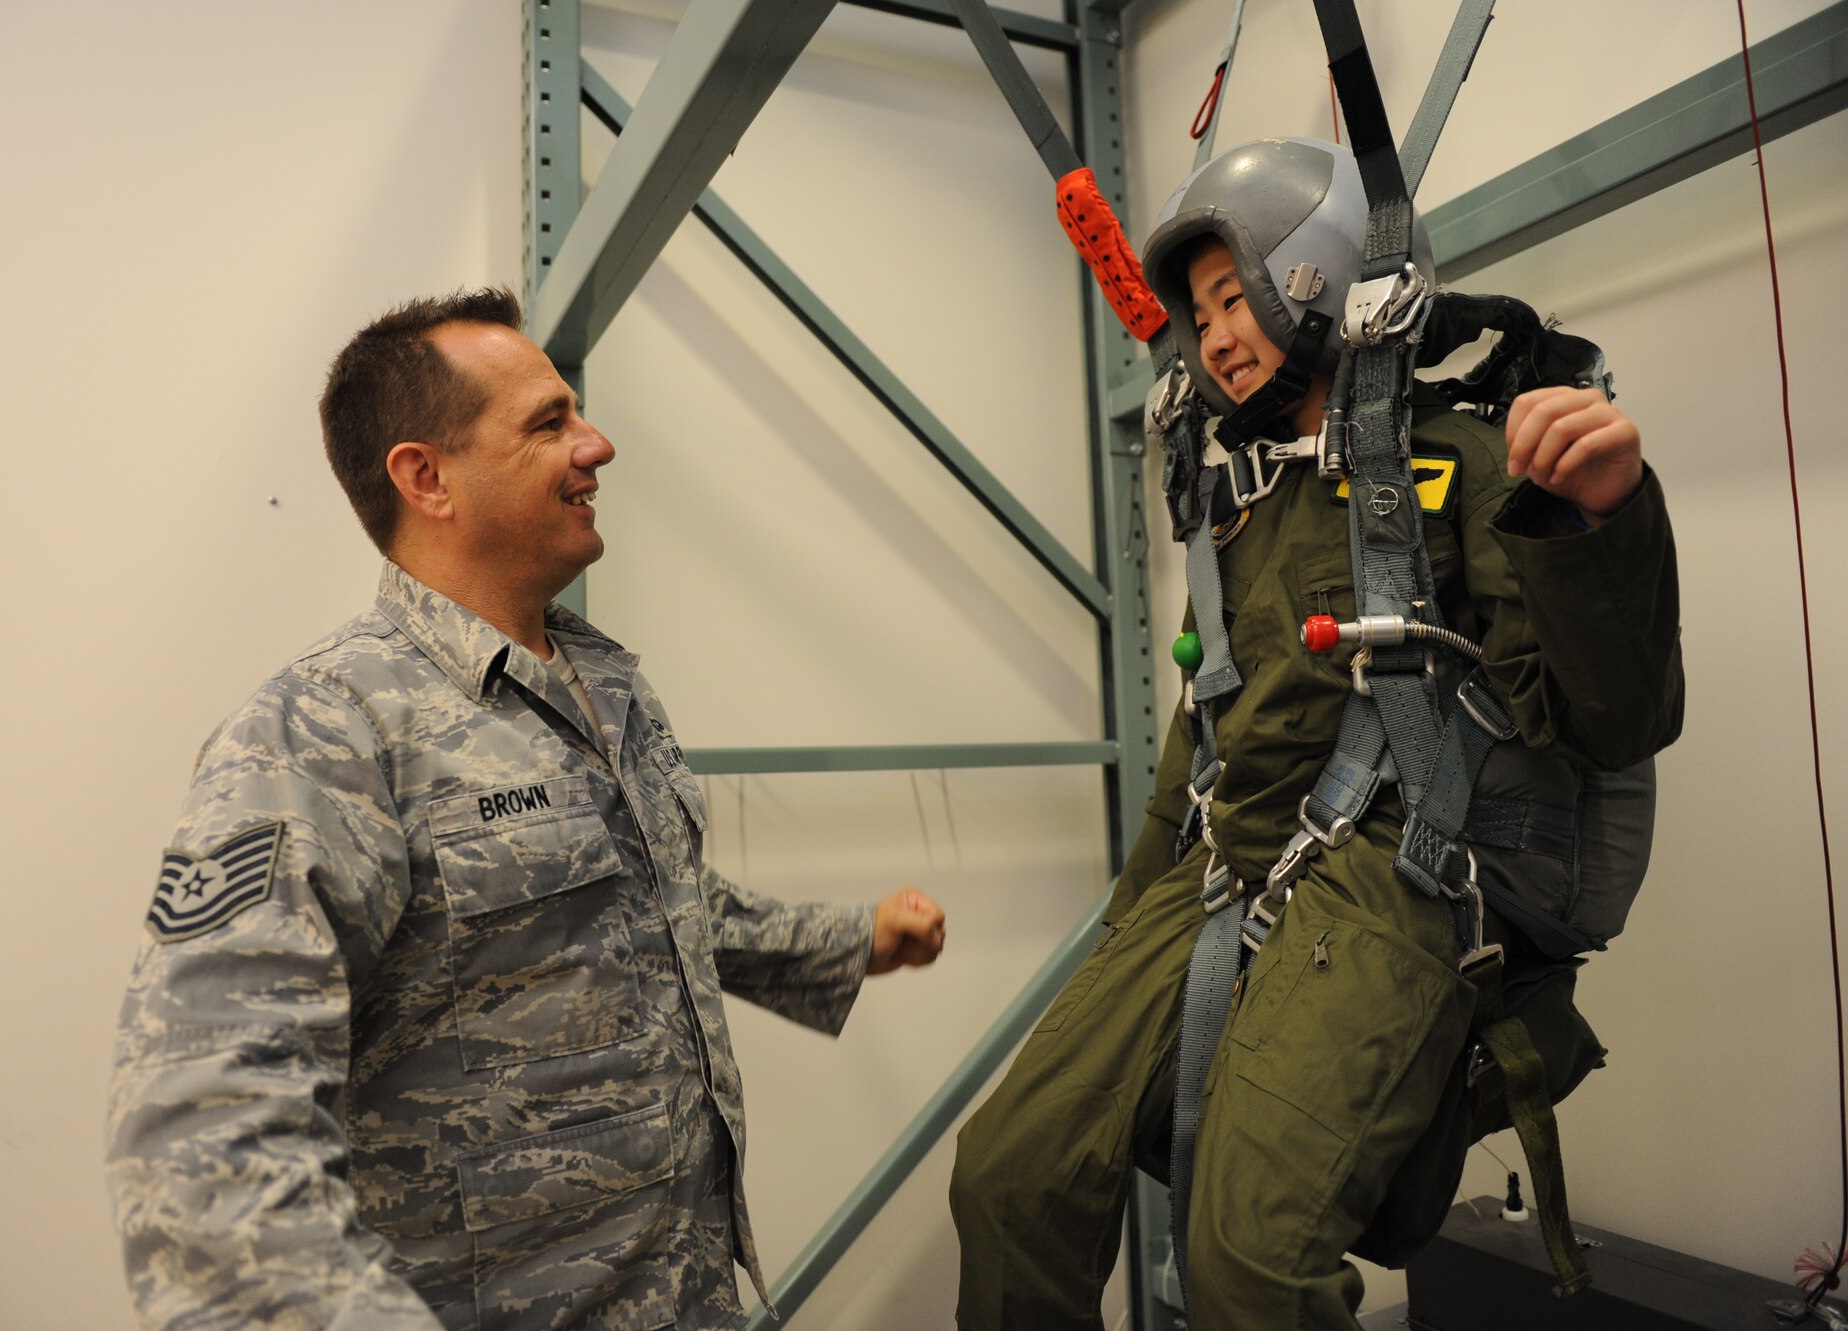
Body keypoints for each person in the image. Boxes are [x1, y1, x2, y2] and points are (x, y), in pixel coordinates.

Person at [105, 287, 948, 1331]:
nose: (595, 443)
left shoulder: (604, 683)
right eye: (548, 422)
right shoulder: (322, 732)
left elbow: (655, 906)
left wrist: (843, 939)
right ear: (425, 477)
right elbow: (206, 1133)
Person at [949, 138, 1683, 1329]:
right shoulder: (1239, 501)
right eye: (1197, 313)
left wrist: (1598, 521)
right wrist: (1124, 935)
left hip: (1404, 868)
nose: (1214, 333)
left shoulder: (1472, 463)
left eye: (1233, 295)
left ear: (1321, 276)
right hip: (1222, 865)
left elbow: (1615, 717)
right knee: (1008, 1175)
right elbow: (1204, 745)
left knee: (1250, 1265)